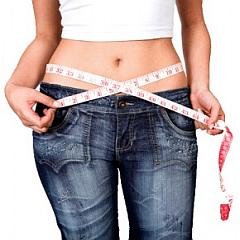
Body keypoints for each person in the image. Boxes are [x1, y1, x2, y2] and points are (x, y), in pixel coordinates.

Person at [4, 0, 225, 239]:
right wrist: (15, 86)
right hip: (72, 115)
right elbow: (46, 35)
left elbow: (194, 23)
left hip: (162, 113)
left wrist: (200, 87)